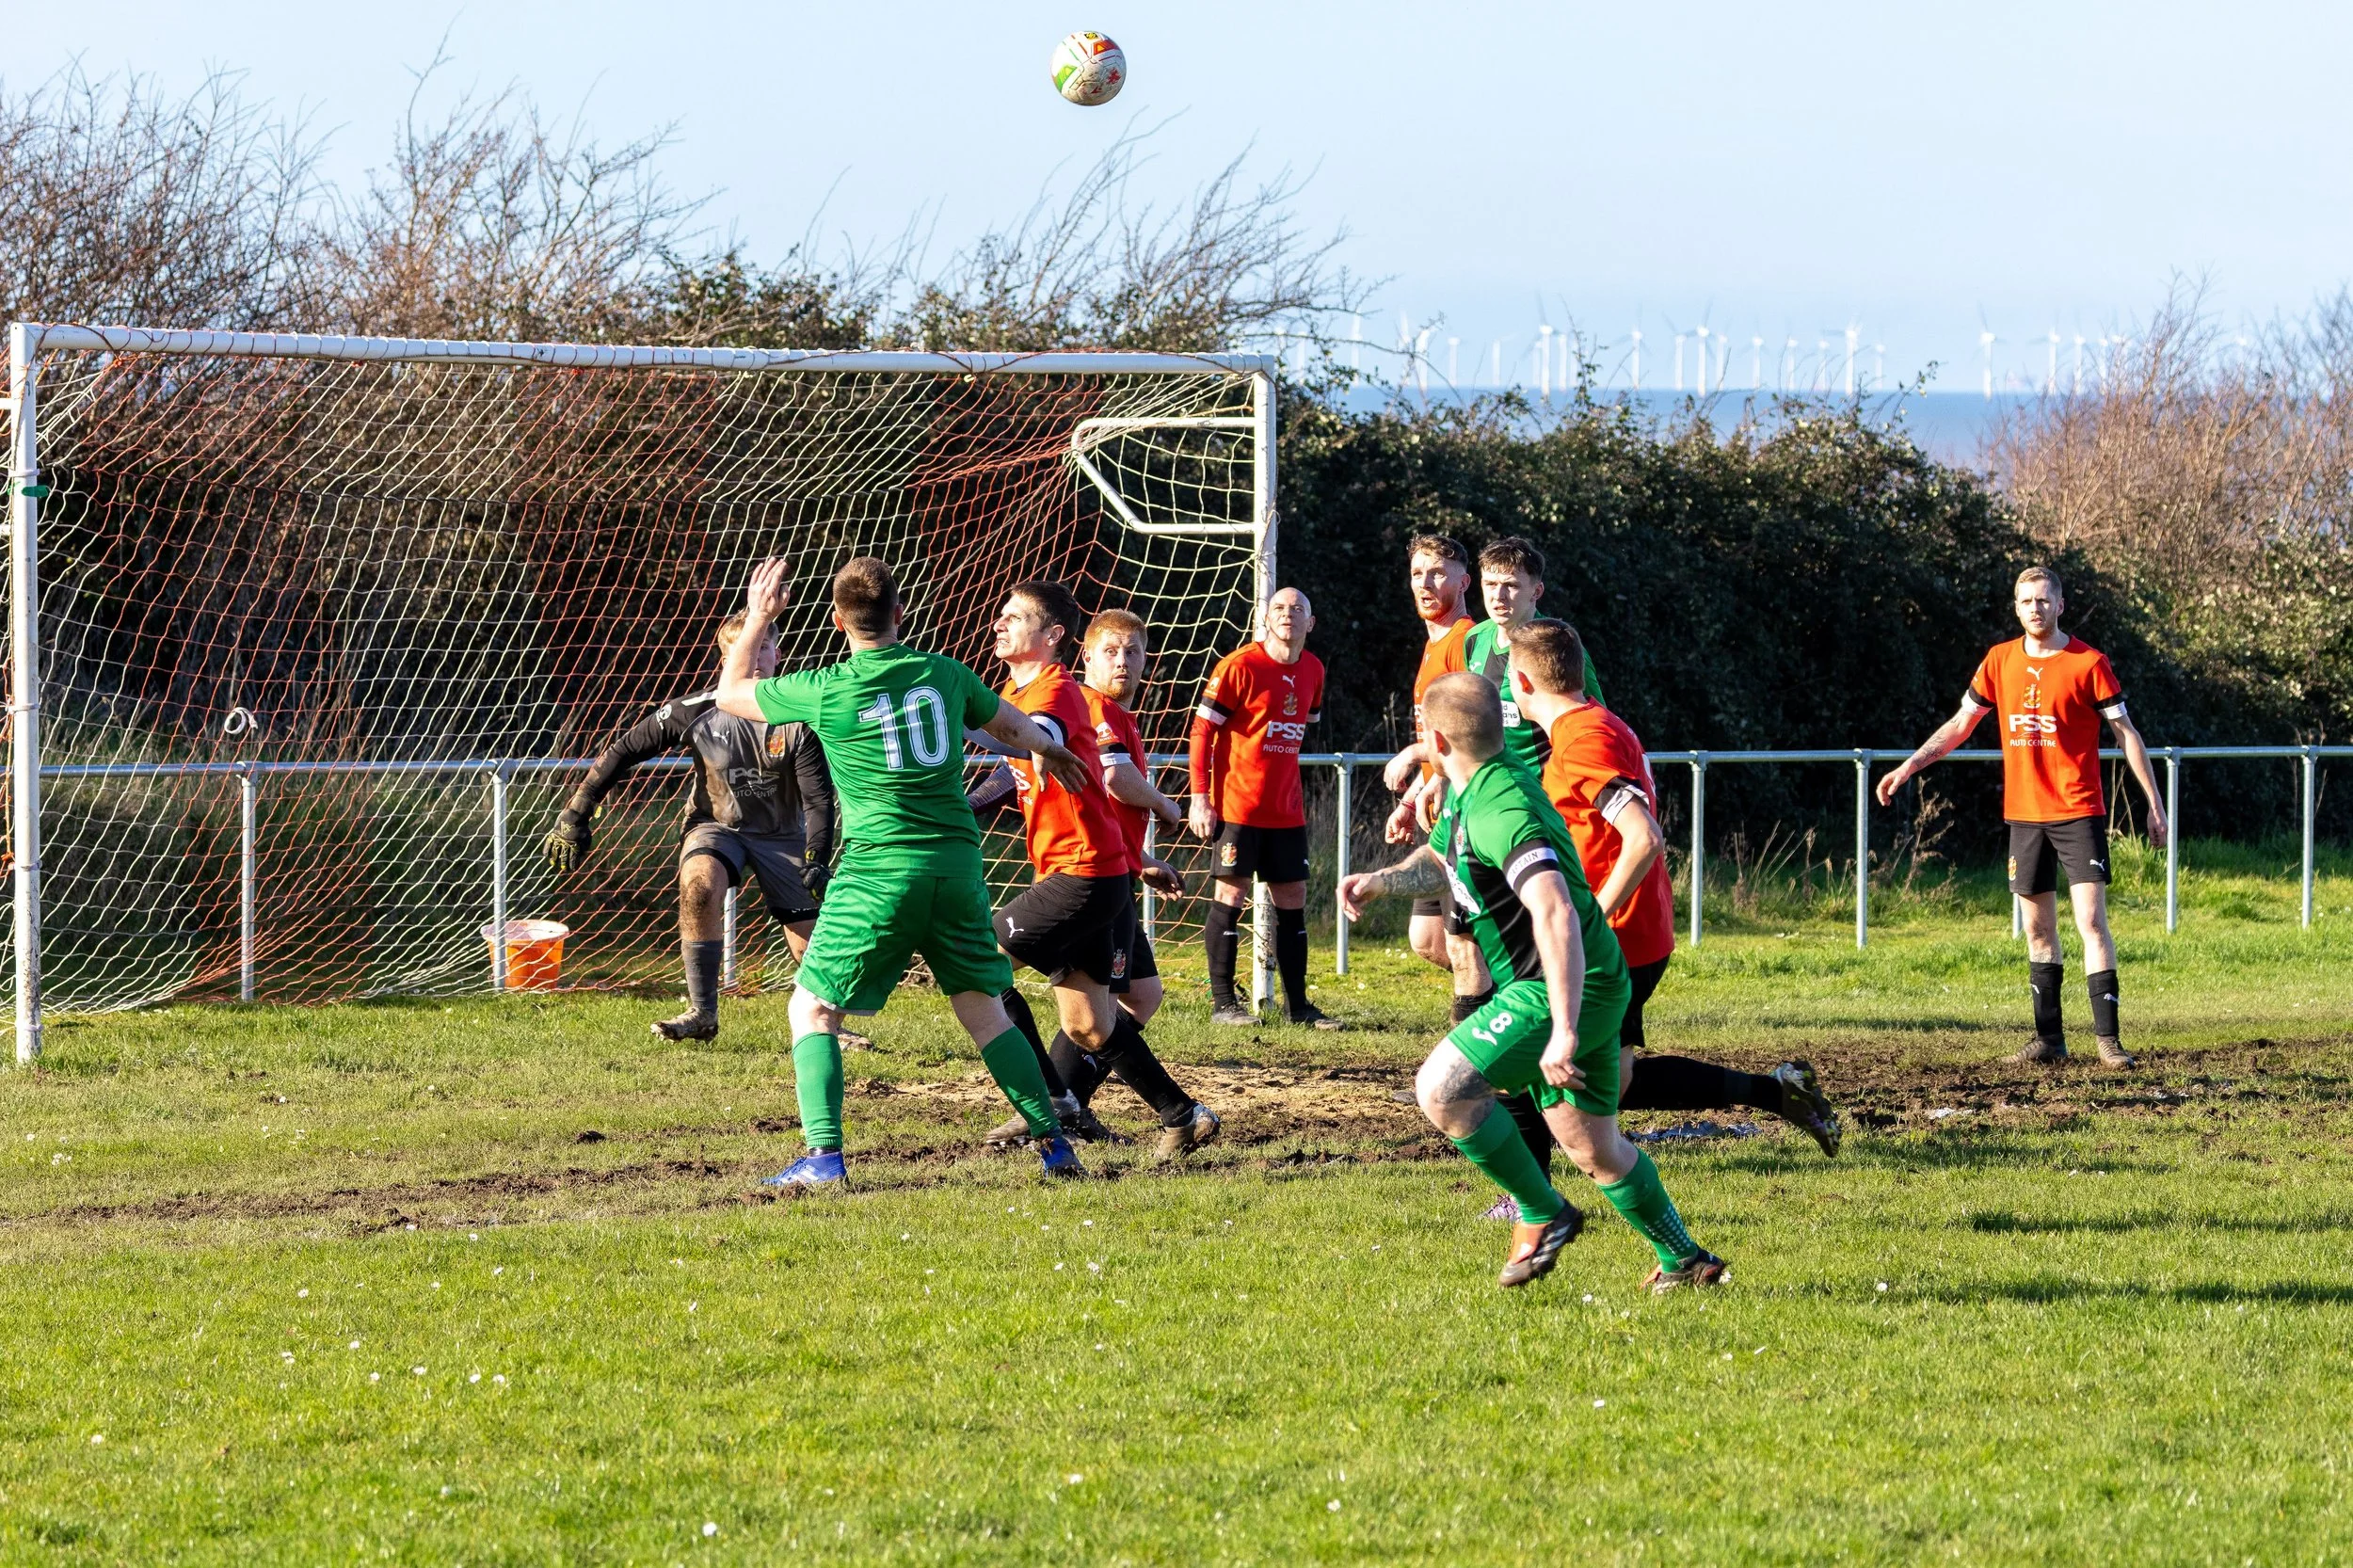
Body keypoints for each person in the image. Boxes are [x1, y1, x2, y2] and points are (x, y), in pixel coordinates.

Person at [712, 554, 1100, 1187]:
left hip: (879, 873)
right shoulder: (945, 674)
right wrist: (1049, 748)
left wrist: (759, 616)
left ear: (838, 621)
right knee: (986, 1013)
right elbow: (1002, 721)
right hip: (955, 867)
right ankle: (1055, 1146)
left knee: (810, 1008)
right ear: (899, 613)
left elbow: (732, 693)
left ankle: (825, 1159)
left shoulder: (828, 687)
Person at [1339, 673, 1728, 1292]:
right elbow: (1441, 859)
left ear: (1435, 739)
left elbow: (1555, 911)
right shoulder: (1477, 787)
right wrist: (1381, 881)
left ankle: (1542, 1212)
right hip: (1593, 976)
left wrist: (1564, 1031)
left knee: (1441, 1090)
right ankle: (1685, 1260)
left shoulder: (1502, 808)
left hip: (1556, 984)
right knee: (1592, 1146)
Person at [1507, 619, 1842, 1160]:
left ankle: (1532, 1196)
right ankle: (1778, 1091)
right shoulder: (1597, 724)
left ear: (1521, 683)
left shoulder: (1581, 741)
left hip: (1612, 936)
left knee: (1535, 1055)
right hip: (1636, 930)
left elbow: (1643, 838)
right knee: (1611, 1078)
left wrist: (1589, 916)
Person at [1875, 566, 2168, 1067]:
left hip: (2078, 810)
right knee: (2037, 931)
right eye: (2026, 601)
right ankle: (2049, 1040)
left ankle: (2108, 1042)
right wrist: (1909, 765)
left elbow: (2127, 734)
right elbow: (1961, 723)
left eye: (2043, 600)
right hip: (2026, 817)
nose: (2035, 608)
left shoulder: (2089, 662)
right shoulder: (1999, 661)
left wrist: (2154, 804)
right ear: (2016, 607)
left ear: (2060, 605)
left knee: (2092, 923)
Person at [967, 584, 1217, 1161]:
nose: (999, 625)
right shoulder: (1016, 691)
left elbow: (1046, 739)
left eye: (1014, 618)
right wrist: (971, 800)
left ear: (1053, 636)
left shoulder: (1055, 690)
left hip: (1084, 874)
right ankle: (1183, 1115)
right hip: (1092, 873)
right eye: (1000, 616)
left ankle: (1051, 1099)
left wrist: (951, 717)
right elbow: (1018, 767)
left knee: (978, 960)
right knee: (1088, 1023)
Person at [543, 610, 837, 1044]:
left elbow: (817, 798)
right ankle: (702, 1013)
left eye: (764, 648)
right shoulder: (695, 711)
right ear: (725, 660)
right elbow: (624, 750)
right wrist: (576, 811)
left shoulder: (801, 718)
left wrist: (816, 854)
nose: (756, 659)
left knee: (807, 933)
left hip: (783, 836)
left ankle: (830, 1024)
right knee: (699, 882)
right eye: (744, 651)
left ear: (779, 654)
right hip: (716, 826)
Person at [1060, 607, 1224, 1160]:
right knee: (1087, 1011)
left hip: (1114, 873)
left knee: (1141, 995)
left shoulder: (1118, 714)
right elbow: (1112, 778)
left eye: (1133, 651)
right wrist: (1165, 803)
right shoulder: (1091, 707)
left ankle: (1065, 1100)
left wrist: (1142, 859)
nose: (1123, 661)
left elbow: (1105, 805)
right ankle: (1060, 1104)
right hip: (1084, 877)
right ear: (1086, 655)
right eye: (1110, 650)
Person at [1189, 586, 1339, 1029]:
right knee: (1230, 896)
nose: (1288, 615)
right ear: (1265, 618)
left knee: (1293, 900)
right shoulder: (1239, 666)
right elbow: (1202, 732)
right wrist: (1201, 797)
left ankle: (1300, 1007)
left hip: (1286, 812)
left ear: (1310, 623)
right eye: (1279, 608)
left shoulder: (1313, 669)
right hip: (1237, 808)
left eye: (1298, 609)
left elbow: (1301, 727)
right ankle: (1223, 1005)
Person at [1377, 534, 1493, 1025]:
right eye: (1417, 574)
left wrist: (1412, 754)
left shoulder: (1467, 639)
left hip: (1470, 813)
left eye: (1437, 572)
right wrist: (1414, 799)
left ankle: (1482, 1055)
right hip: (1439, 810)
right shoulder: (1432, 646)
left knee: (1462, 944)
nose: (1425, 583)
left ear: (1464, 582)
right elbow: (1442, 739)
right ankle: (1512, 992)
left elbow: (1470, 734)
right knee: (1427, 940)